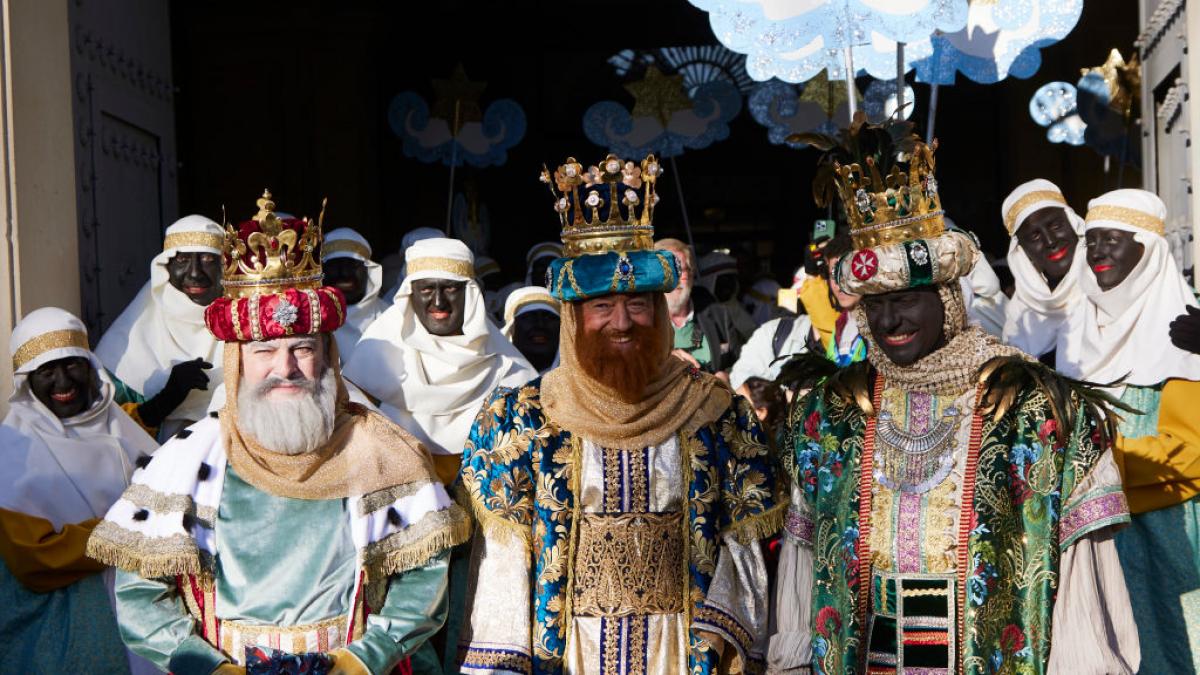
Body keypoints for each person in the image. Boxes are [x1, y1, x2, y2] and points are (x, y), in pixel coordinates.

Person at [771, 140, 1139, 674]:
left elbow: (1080, 570)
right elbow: (804, 558)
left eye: (905, 300)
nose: (890, 322)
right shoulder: (833, 412)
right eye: (876, 305)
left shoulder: (1033, 406)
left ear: (946, 299)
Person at [87, 190, 468, 675]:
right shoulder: (185, 458)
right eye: (264, 350)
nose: (284, 369)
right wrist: (207, 667)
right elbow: (140, 596)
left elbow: (423, 585)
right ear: (238, 361)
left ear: (327, 355)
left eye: (302, 349)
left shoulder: (381, 449)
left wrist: (361, 660)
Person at [458, 153, 781, 674]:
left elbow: (740, 548)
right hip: (566, 657)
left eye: (638, 304)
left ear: (660, 312)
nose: (623, 323)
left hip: (681, 653)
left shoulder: (716, 413)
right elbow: (502, 570)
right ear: (572, 316)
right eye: (602, 306)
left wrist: (718, 644)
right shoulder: (520, 419)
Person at [1058, 188, 1200, 674]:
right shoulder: (1077, 326)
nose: (1096, 251)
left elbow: (1190, 453)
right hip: (1093, 535)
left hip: (1167, 533)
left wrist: (1085, 462)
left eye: (1112, 239)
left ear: (1147, 250)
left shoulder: (1183, 331)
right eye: (1091, 240)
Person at [0, 308, 159, 674]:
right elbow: (33, 559)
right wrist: (124, 532)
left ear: (91, 367)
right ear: (27, 380)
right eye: (46, 371)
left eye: (72, 365)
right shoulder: (13, 449)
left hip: (144, 608)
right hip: (62, 628)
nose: (62, 381)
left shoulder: (125, 429)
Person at [345, 237, 535, 478]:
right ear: (410, 294)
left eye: (450, 288)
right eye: (426, 289)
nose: (438, 302)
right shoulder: (373, 359)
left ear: (470, 294)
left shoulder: (511, 371)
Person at [96, 215, 226, 438]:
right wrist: (167, 398)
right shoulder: (121, 347)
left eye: (207, 259)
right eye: (183, 260)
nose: (195, 273)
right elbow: (107, 435)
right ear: (165, 267)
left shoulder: (249, 329)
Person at [1000, 180, 1086, 365]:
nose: (1050, 241)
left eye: (1056, 226)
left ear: (1072, 224)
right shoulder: (1020, 312)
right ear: (1023, 250)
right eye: (1035, 236)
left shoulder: (1103, 283)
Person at [655, 238, 743, 379]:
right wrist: (664, 358)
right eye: (666, 272)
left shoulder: (718, 314)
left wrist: (726, 376)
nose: (674, 279)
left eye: (680, 270)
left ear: (691, 274)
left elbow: (741, 363)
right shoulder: (640, 320)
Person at [322, 227, 389, 362]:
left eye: (352, 266)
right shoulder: (311, 321)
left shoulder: (390, 317)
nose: (344, 274)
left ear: (368, 271)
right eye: (335, 266)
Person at [699, 250, 757, 341]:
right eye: (723, 280)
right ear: (709, 281)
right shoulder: (701, 315)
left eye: (732, 279)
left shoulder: (737, 308)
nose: (729, 285)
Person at [501, 286, 560, 374]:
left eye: (549, 317)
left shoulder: (582, 380)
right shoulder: (492, 379)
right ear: (511, 328)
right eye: (528, 317)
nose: (540, 324)